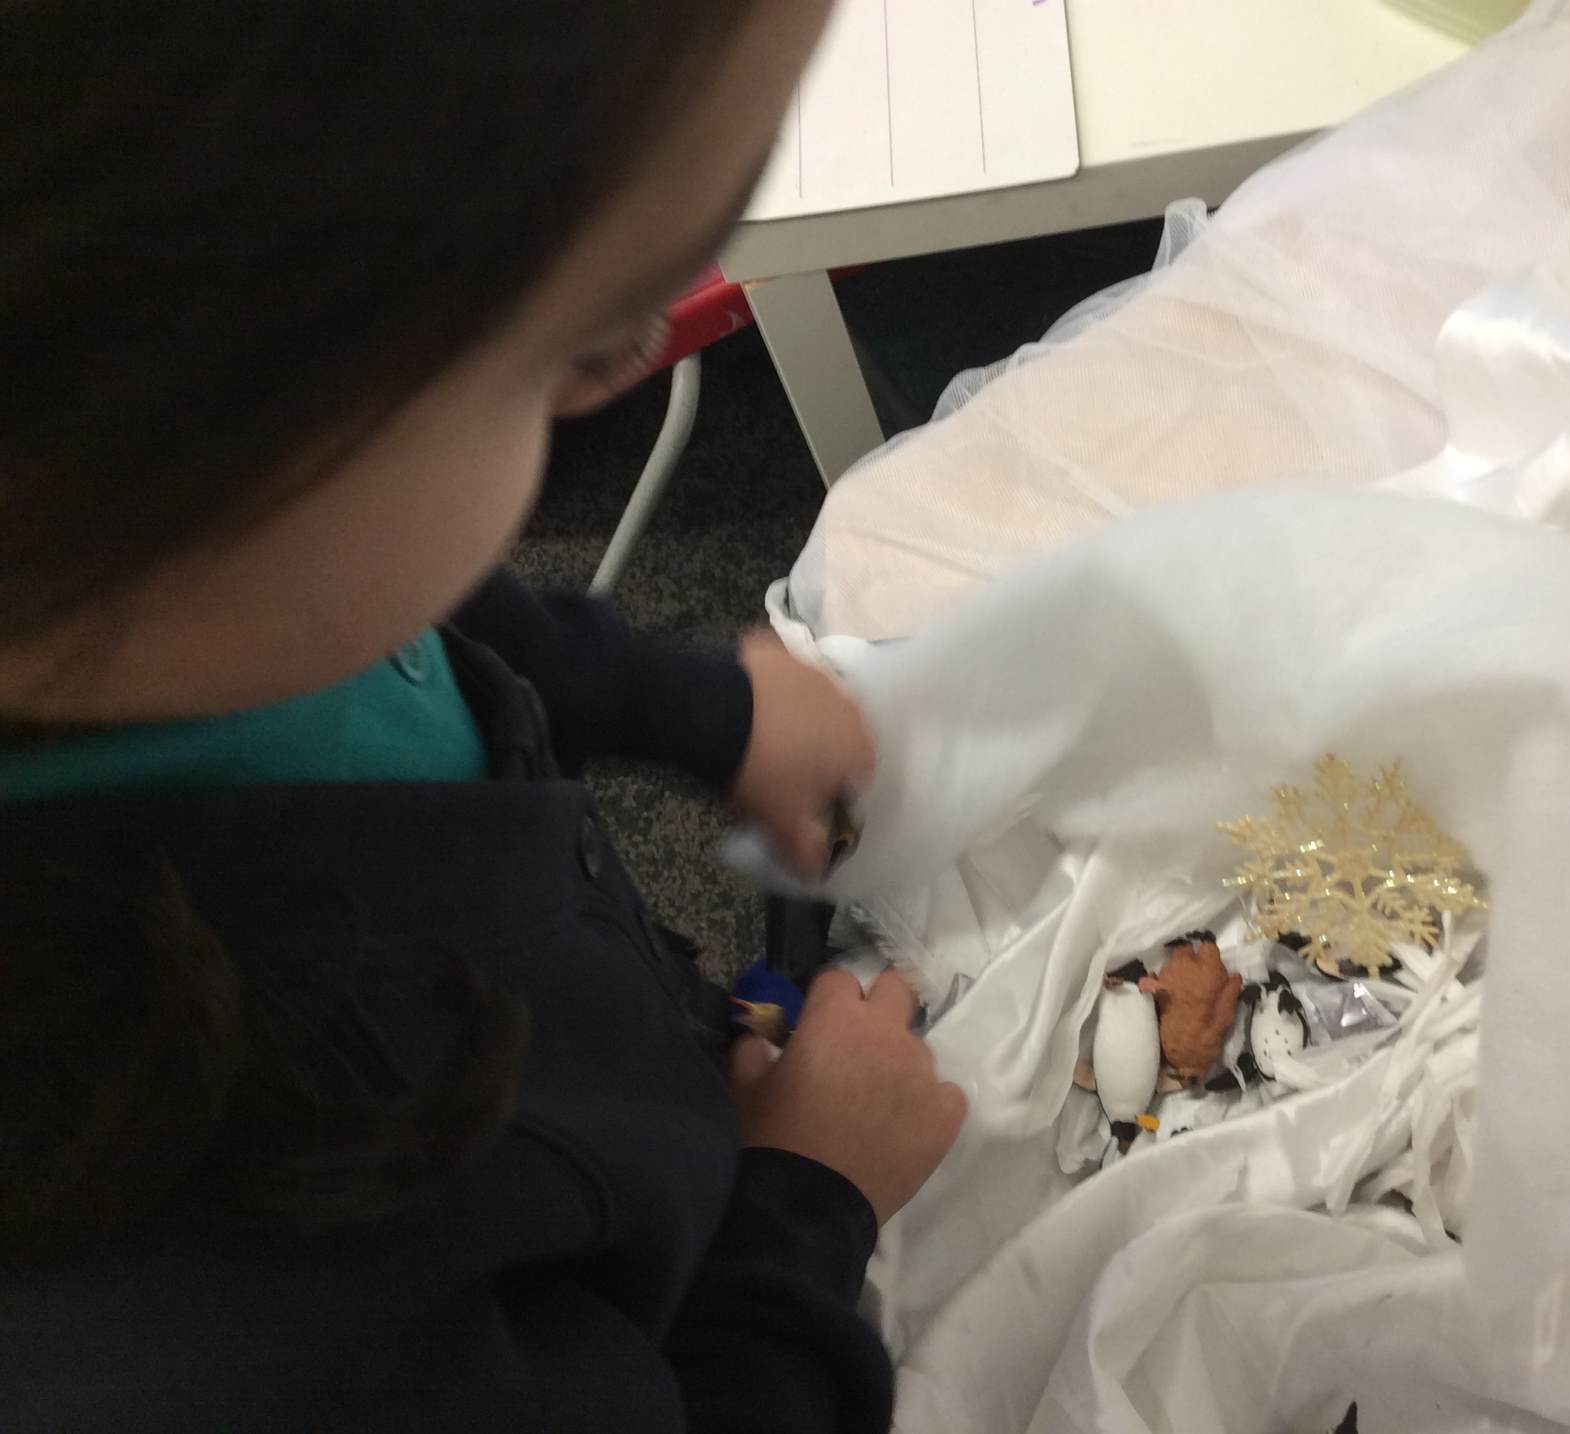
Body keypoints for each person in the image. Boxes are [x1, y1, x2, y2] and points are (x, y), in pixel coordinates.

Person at [0, 2, 966, 1429]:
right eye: (588, 347)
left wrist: (695, 706)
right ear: (206, 427)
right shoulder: (201, 1301)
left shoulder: (177, 583)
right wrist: (808, 1197)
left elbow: (423, 613)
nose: (619, 368)